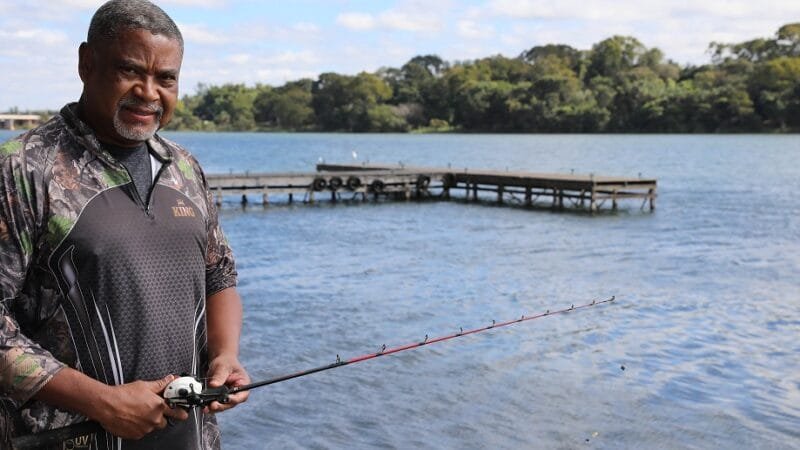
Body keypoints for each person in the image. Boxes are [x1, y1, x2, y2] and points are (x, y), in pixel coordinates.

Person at [0, 1, 249, 448]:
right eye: (130, 70)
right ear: (86, 64)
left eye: (166, 78)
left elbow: (219, 275)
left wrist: (225, 357)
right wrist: (101, 401)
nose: (149, 92)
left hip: (191, 438)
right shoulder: (22, 169)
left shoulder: (185, 169)